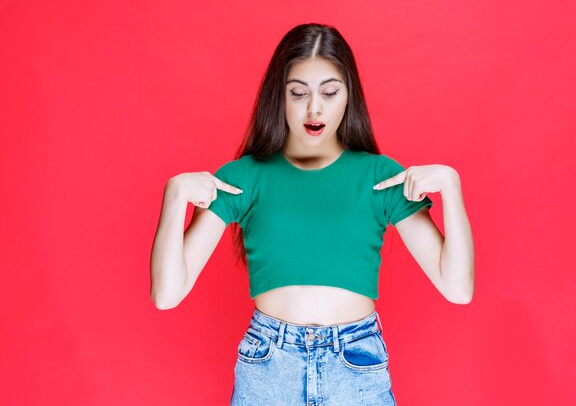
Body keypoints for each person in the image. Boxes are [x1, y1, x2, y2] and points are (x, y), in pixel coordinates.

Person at [150, 23, 474, 405]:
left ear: (349, 96)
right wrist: (174, 198)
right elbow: (167, 294)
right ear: (280, 97)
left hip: (356, 366)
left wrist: (451, 188)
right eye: (298, 93)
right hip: (268, 367)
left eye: (330, 92)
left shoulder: (380, 177)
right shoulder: (244, 177)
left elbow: (458, 289)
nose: (314, 107)